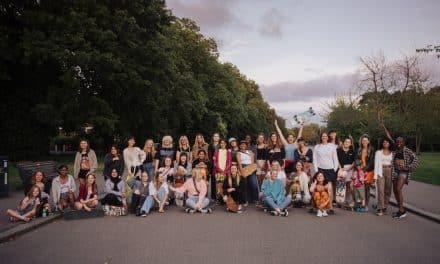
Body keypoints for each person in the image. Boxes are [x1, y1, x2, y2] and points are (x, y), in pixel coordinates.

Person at [382, 124, 419, 219]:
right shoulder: (395, 149)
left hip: (403, 172)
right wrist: (384, 128)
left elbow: (416, 160)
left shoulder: (407, 151)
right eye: (397, 142)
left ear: (403, 142)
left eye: (400, 142)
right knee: (395, 191)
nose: (398, 143)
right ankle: (400, 210)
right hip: (395, 172)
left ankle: (402, 210)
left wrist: (408, 167)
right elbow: (389, 137)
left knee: (398, 189)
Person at [313, 132, 338, 213]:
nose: (324, 137)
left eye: (325, 136)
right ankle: (318, 205)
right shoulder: (317, 147)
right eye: (322, 136)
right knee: (319, 189)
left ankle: (330, 207)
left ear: (328, 137)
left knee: (329, 189)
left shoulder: (332, 146)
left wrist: (334, 169)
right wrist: (317, 171)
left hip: (330, 170)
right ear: (321, 138)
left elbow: (335, 159)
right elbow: (315, 159)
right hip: (320, 170)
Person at [374, 138, 394, 216]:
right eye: (384, 142)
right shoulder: (378, 152)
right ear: (382, 143)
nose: (385, 143)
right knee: (380, 190)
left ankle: (385, 206)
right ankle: (380, 208)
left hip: (390, 171)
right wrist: (375, 176)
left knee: (388, 191)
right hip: (380, 171)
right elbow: (376, 165)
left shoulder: (392, 153)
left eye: (387, 142)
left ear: (389, 144)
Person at [355, 134, 375, 211]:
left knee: (366, 188)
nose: (364, 142)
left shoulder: (372, 150)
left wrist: (364, 170)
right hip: (359, 171)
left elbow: (371, 162)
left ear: (368, 141)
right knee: (359, 188)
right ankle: (359, 203)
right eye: (363, 140)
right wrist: (359, 168)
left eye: (366, 140)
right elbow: (356, 159)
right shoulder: (359, 150)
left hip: (368, 172)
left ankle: (366, 204)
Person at [237, 140, 258, 204]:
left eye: (244, 144)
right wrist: (242, 171)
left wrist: (250, 169)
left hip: (250, 167)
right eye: (242, 144)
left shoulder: (250, 152)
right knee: (244, 184)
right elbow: (239, 163)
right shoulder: (238, 153)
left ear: (246, 145)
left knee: (253, 183)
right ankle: (246, 200)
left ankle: (255, 199)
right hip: (243, 167)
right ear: (240, 146)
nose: (243, 145)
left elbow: (252, 161)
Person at [337, 137, 356, 208]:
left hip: (349, 169)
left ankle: (348, 201)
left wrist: (349, 169)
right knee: (340, 185)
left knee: (349, 186)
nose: (347, 143)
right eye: (346, 141)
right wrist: (340, 168)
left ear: (350, 144)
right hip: (341, 169)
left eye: (348, 142)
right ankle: (340, 200)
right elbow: (337, 160)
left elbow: (354, 162)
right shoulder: (339, 150)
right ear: (343, 142)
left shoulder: (353, 152)